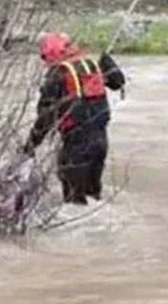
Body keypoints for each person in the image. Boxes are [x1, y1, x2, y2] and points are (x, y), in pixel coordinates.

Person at [21, 33, 125, 205]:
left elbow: (45, 118)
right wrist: (107, 61)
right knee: (93, 197)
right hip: (100, 143)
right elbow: (118, 82)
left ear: (51, 53)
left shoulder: (57, 75)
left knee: (73, 201)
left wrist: (30, 146)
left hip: (76, 147)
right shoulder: (92, 65)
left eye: (44, 56)